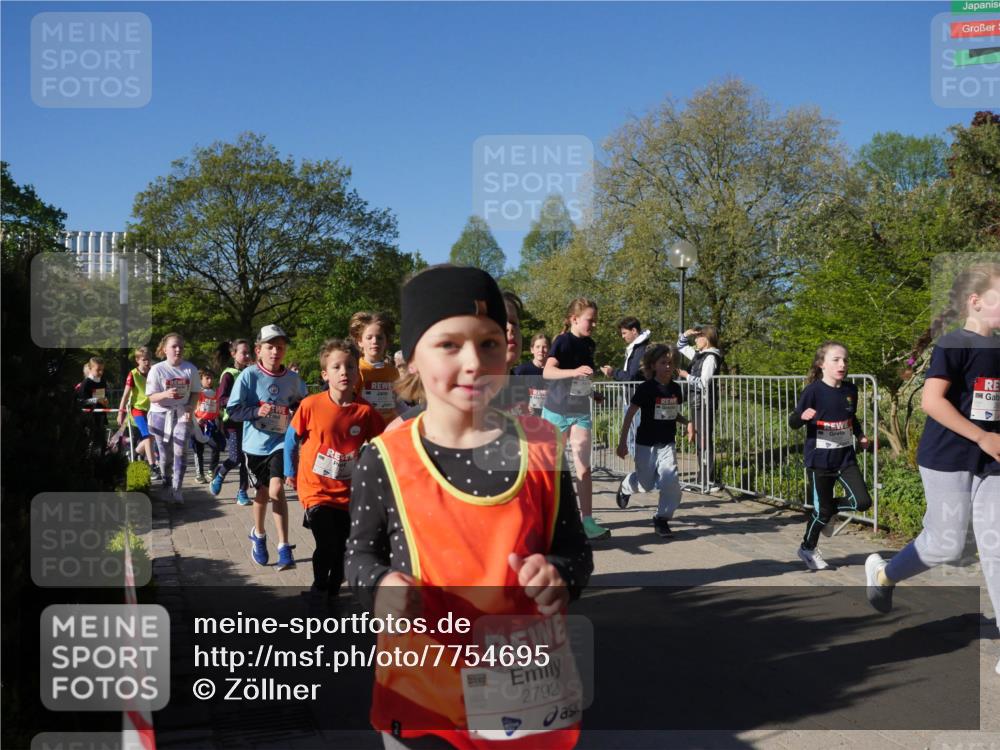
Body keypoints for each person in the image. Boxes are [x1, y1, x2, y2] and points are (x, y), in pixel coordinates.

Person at [345, 264, 592, 750]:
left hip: (524, 695)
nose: (474, 361)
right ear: (411, 358)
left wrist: (559, 575)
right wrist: (380, 587)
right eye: (449, 345)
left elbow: (576, 552)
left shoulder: (542, 446)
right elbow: (358, 555)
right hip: (424, 700)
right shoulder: (385, 457)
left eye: (489, 343)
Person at [865, 262, 1000, 676]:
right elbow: (931, 402)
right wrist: (981, 436)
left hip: (992, 461)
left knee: (997, 544)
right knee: (946, 545)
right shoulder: (953, 344)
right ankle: (884, 574)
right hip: (948, 457)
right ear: (975, 302)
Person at [284, 339, 384, 598]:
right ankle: (319, 586)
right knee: (327, 543)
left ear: (357, 373)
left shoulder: (365, 411)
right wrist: (289, 472)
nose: (344, 372)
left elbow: (383, 445)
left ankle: (331, 590)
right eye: (337, 367)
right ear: (325, 374)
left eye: (350, 367)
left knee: (343, 547)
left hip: (348, 493)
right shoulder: (311, 405)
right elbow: (290, 439)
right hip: (315, 490)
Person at [226, 325, 308, 570]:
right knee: (262, 495)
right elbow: (233, 410)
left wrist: (296, 410)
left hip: (281, 442)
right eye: (270, 347)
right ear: (258, 350)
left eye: (280, 347)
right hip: (254, 446)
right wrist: (255, 411)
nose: (276, 352)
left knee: (276, 489)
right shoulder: (249, 376)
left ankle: (284, 546)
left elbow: (302, 404)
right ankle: (259, 535)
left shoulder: (293, 379)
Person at [789, 342, 872, 571]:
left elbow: (851, 417)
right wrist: (802, 417)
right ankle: (807, 548)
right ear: (821, 364)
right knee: (822, 511)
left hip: (845, 458)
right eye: (836, 360)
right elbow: (793, 421)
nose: (842, 364)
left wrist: (860, 435)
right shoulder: (813, 391)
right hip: (819, 462)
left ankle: (828, 511)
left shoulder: (850, 390)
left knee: (862, 502)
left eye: (845, 360)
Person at [543, 298, 610, 541]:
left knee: (583, 463)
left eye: (595, 321)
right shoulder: (562, 341)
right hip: (556, 410)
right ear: (574, 319)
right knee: (553, 468)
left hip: (580, 410)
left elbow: (583, 378)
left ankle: (588, 521)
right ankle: (549, 519)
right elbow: (547, 372)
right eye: (590, 320)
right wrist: (574, 371)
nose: (593, 324)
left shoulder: (590, 344)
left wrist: (593, 393)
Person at [614, 343, 688, 537]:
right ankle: (627, 485)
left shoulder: (675, 389)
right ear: (653, 365)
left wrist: (687, 422)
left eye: (670, 363)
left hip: (667, 443)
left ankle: (662, 519)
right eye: (663, 363)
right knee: (646, 484)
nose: (667, 367)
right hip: (645, 442)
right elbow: (630, 413)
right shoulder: (646, 388)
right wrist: (622, 442)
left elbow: (672, 413)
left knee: (670, 480)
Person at [145, 333, 201, 505]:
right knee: (165, 453)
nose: (178, 350)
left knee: (180, 450)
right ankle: (166, 477)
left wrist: (191, 406)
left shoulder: (190, 369)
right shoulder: (157, 370)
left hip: (182, 413)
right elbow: (151, 397)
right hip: (160, 414)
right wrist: (165, 394)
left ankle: (177, 488)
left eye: (181, 347)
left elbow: (195, 392)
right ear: (164, 349)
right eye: (174, 346)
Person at [677, 325, 724, 491]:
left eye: (698, 337)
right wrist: (686, 334)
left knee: (704, 440)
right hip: (696, 402)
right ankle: (702, 478)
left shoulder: (710, 357)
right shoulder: (699, 355)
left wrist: (686, 376)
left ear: (707, 339)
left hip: (704, 403)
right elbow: (681, 346)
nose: (695, 340)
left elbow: (704, 383)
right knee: (699, 439)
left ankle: (708, 480)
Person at [211, 339, 253, 506]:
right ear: (233, 354)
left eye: (249, 352)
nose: (247, 355)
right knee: (235, 457)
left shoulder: (251, 373)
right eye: (244, 352)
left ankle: (242, 492)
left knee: (247, 459)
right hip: (232, 423)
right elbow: (220, 400)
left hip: (249, 422)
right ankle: (219, 475)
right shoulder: (228, 375)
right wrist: (238, 401)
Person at [602, 317, 651, 457]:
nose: (623, 337)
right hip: (631, 399)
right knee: (632, 441)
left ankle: (643, 475)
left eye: (624, 333)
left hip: (636, 401)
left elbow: (631, 376)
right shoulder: (636, 348)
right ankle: (641, 474)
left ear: (634, 331)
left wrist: (613, 372)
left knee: (637, 441)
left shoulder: (641, 349)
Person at [351, 311, 399, 427]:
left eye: (379, 337)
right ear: (360, 341)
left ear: (386, 341)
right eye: (369, 337)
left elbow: (397, 402)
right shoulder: (356, 369)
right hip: (364, 430)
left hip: (389, 431)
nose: (375, 341)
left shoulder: (393, 371)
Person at [117, 346, 158, 473]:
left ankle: (134, 453)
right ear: (137, 360)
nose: (147, 362)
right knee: (147, 435)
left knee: (152, 436)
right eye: (144, 360)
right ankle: (152, 465)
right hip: (137, 410)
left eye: (149, 359)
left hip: (151, 409)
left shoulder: (153, 372)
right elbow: (125, 395)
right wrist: (120, 413)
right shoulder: (133, 374)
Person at [191, 367, 224, 483]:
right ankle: (199, 474)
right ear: (201, 379)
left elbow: (217, 411)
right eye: (207, 378)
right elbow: (190, 408)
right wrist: (196, 418)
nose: (210, 381)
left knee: (216, 447)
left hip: (210, 426)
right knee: (198, 450)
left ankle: (211, 470)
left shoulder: (215, 394)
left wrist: (219, 423)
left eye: (211, 378)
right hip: (197, 426)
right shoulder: (197, 393)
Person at [77, 357, 111, 453]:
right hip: (88, 419)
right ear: (90, 369)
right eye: (98, 370)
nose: (100, 372)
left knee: (101, 443)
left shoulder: (103, 381)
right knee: (90, 443)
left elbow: (103, 397)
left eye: (102, 370)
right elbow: (81, 401)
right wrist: (96, 400)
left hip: (100, 417)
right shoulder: (86, 383)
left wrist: (105, 401)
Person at [513, 333, 550, 417]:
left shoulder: (555, 371)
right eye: (537, 347)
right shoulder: (521, 370)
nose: (541, 350)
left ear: (550, 349)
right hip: (527, 417)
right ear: (532, 349)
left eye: (544, 347)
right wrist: (524, 405)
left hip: (550, 417)